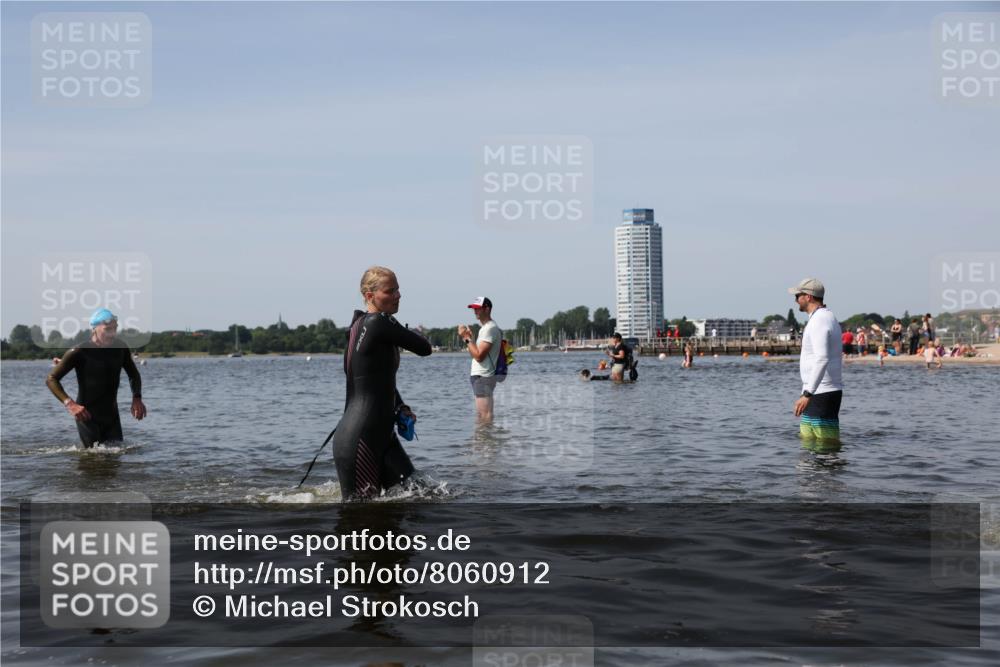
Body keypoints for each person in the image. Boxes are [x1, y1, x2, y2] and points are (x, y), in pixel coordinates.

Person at [332, 267, 432, 500]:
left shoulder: (361, 325)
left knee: (420, 498)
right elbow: (424, 348)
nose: (398, 295)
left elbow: (375, 379)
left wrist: (400, 405)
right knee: (361, 514)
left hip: (383, 434)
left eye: (398, 289)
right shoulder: (379, 322)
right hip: (361, 440)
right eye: (390, 291)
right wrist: (411, 328)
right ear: (370, 296)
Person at [46, 308, 147, 449]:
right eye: (107, 329)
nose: (112, 333)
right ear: (94, 329)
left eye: (115, 328)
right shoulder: (79, 351)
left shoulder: (120, 348)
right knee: (94, 455)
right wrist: (70, 404)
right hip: (87, 416)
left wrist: (137, 398)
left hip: (112, 416)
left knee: (116, 456)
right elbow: (51, 379)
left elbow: (134, 374)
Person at [788, 278, 843, 443]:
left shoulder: (820, 320)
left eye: (798, 296)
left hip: (821, 392)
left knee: (825, 447)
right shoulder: (823, 317)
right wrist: (807, 392)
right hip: (816, 391)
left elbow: (822, 358)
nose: (795, 300)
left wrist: (807, 394)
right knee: (808, 443)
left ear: (808, 297)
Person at [458, 296, 501, 424]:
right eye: (474, 309)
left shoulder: (489, 329)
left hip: (483, 376)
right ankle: (485, 436)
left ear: (487, 309)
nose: (475, 311)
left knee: (484, 415)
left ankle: (484, 436)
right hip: (483, 376)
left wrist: (466, 338)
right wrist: (469, 340)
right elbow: (477, 353)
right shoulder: (486, 328)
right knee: (483, 415)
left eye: (478, 308)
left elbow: (479, 356)